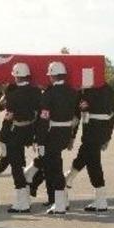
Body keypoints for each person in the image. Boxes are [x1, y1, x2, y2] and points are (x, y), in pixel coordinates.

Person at [35, 61, 80, 215]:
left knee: (55, 169)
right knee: (56, 166)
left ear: (53, 76)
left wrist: (40, 141)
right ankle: (61, 201)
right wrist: (72, 136)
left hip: (52, 134)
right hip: (65, 132)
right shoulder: (73, 92)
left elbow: (44, 119)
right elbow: (76, 117)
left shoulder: (49, 94)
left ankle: (59, 204)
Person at [65, 82, 114, 212]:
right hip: (94, 132)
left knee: (91, 162)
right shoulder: (103, 89)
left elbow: (112, 115)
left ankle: (69, 180)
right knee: (88, 160)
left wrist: (107, 137)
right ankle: (70, 180)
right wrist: (72, 136)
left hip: (94, 133)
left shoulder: (97, 90)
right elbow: (77, 115)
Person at [0, 63, 41, 213]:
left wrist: (2, 136)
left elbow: (8, 116)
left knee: (16, 167)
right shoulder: (36, 91)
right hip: (31, 129)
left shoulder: (13, 95)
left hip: (16, 131)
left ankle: (22, 202)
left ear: (15, 76)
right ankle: (26, 196)